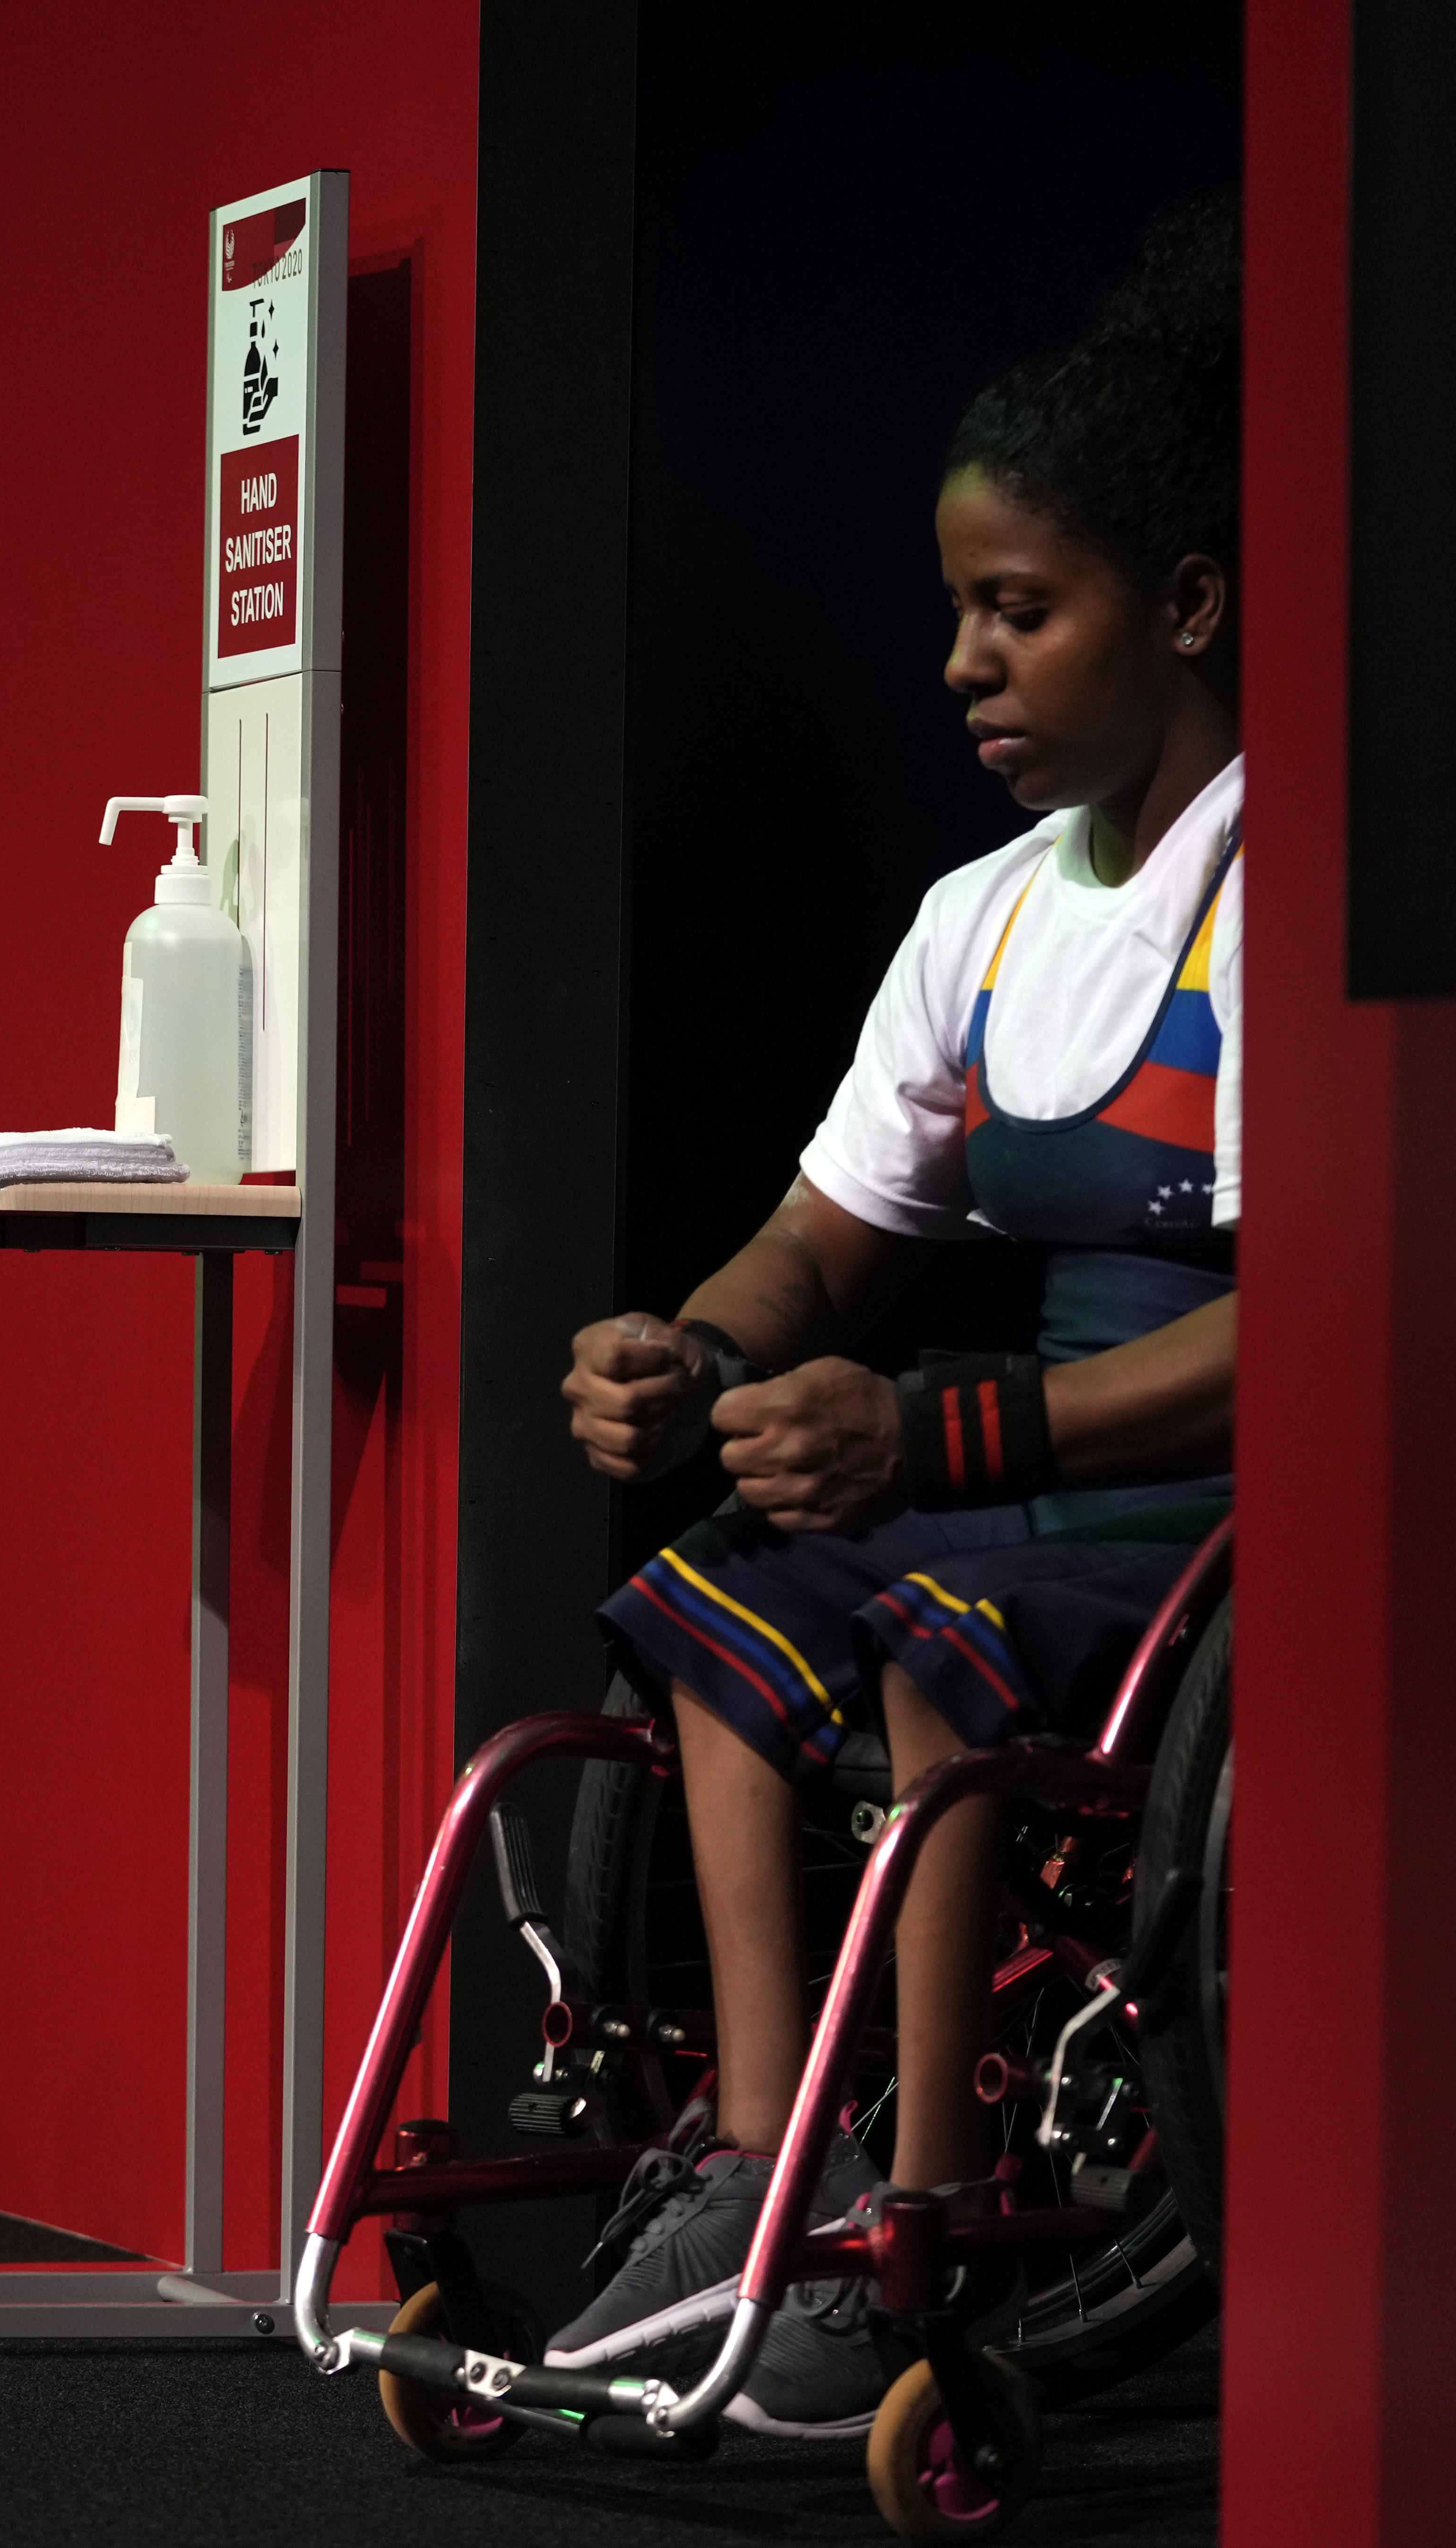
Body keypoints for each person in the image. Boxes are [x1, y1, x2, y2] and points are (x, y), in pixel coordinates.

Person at [536, 205, 1244, 2439]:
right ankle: (766, 2162)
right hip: (1019, 1474)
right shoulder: (981, 921)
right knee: (716, 1598)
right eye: (957, 611)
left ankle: (922, 2206)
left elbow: (1322, 1338)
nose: (961, 661)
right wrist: (692, 1350)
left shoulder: (1294, 902)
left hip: (1209, 1504)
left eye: (1017, 612)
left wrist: (936, 1438)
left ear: (1190, 608)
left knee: (934, 1626)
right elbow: (815, 1243)